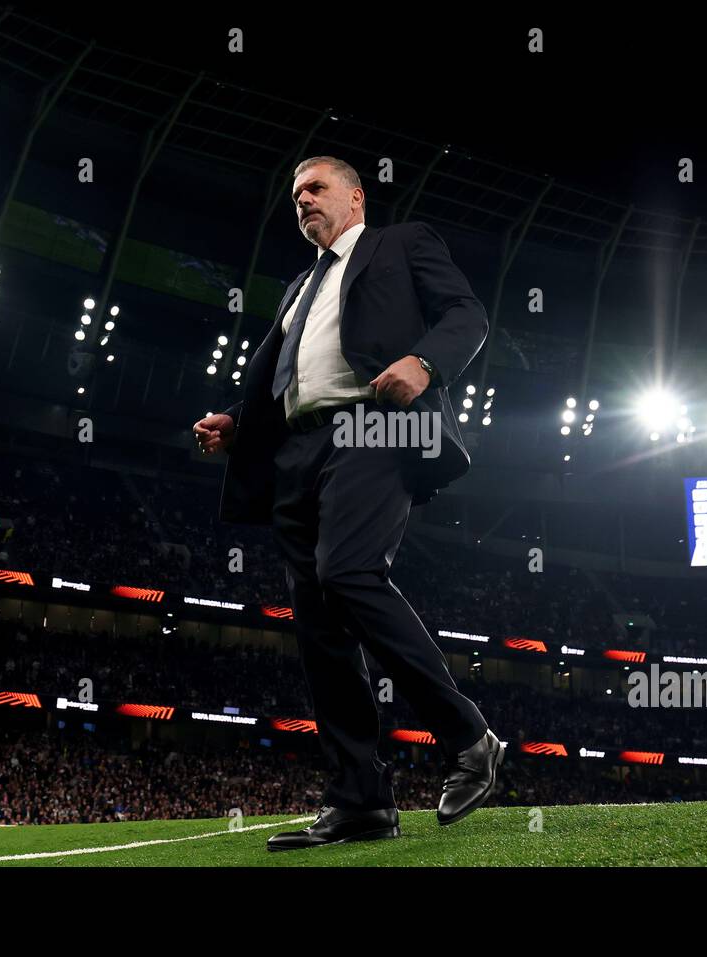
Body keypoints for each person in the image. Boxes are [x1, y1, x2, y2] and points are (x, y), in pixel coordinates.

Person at [193, 155, 502, 851]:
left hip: (375, 424)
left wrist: (424, 363)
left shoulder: (403, 243)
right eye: (295, 192)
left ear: (356, 197)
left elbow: (467, 313)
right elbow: (296, 377)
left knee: (348, 573)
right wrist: (240, 423)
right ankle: (359, 798)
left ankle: (469, 737)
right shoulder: (299, 287)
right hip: (297, 454)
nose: (302, 199)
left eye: (316, 187)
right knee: (317, 625)